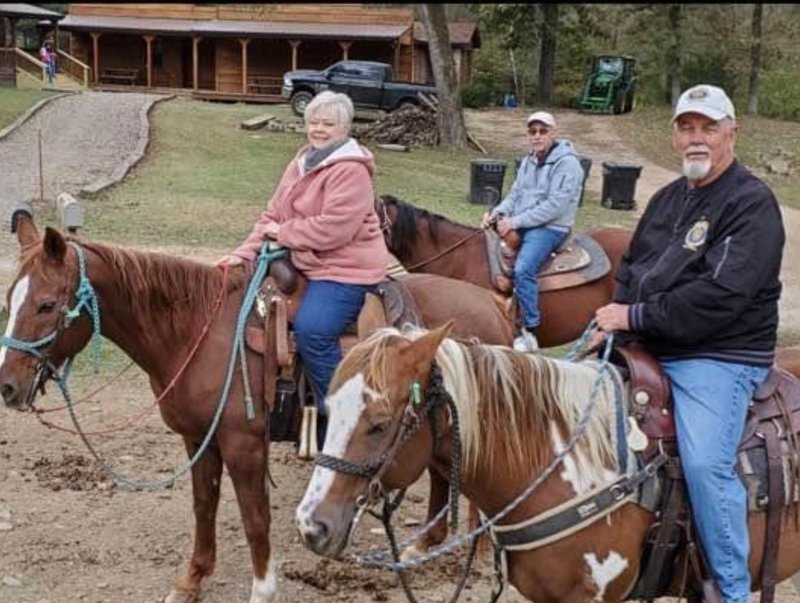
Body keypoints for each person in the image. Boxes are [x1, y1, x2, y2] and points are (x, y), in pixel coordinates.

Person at [594, 84, 785, 603]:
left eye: (708, 127)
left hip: (720, 355)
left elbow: (721, 295)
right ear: (675, 136)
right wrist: (619, 326)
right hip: (651, 343)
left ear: (731, 134)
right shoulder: (666, 199)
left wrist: (633, 314)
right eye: (687, 127)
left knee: (704, 464)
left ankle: (730, 591)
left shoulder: (752, 203)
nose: (696, 138)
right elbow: (633, 268)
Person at [218, 90, 389, 447]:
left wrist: (285, 234)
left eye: (328, 124)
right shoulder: (301, 163)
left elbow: (335, 228)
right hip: (307, 260)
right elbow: (271, 215)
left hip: (344, 268)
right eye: (313, 122)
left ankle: (344, 415)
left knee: (312, 329)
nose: (319, 130)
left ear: (344, 127)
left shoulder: (352, 171)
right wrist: (243, 254)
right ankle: (283, 408)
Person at [480, 111, 584, 352]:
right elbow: (515, 195)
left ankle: (529, 329)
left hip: (550, 227)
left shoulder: (568, 164)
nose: (537, 136)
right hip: (525, 222)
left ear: (553, 133)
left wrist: (515, 222)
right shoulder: (528, 161)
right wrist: (496, 214)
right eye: (532, 131)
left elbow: (555, 205)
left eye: (542, 131)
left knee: (524, 268)